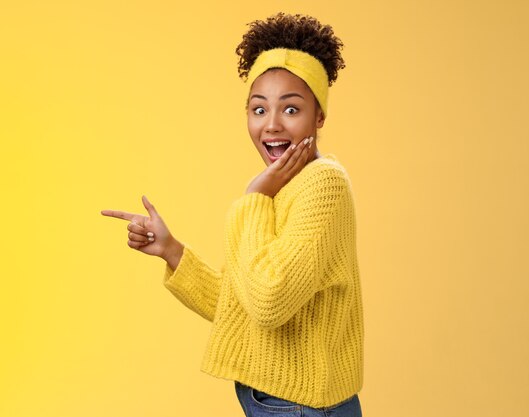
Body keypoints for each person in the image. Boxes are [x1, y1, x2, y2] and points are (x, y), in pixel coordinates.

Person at [101, 12, 363, 417]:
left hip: (298, 407)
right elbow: (244, 305)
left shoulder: (322, 184)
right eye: (258, 110)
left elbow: (269, 301)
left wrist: (253, 197)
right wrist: (172, 251)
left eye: (291, 110)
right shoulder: (282, 186)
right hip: (280, 401)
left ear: (319, 116)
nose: (271, 125)